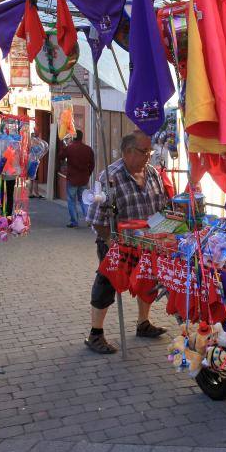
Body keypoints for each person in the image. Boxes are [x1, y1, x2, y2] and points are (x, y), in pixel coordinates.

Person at [85, 131, 168, 354]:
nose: (148, 156)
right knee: (106, 283)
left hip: (147, 242)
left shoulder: (152, 173)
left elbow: (161, 207)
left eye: (150, 151)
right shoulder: (110, 177)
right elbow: (96, 219)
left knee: (147, 280)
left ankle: (143, 322)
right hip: (116, 243)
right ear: (127, 152)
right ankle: (95, 333)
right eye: (144, 151)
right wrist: (112, 243)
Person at [58, 129, 95, 228]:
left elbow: (60, 156)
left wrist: (63, 145)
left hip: (72, 178)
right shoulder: (88, 149)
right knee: (84, 200)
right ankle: (89, 219)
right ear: (81, 137)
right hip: (84, 179)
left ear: (73, 137)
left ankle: (74, 222)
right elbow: (92, 164)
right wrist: (88, 174)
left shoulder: (70, 148)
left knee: (71, 200)